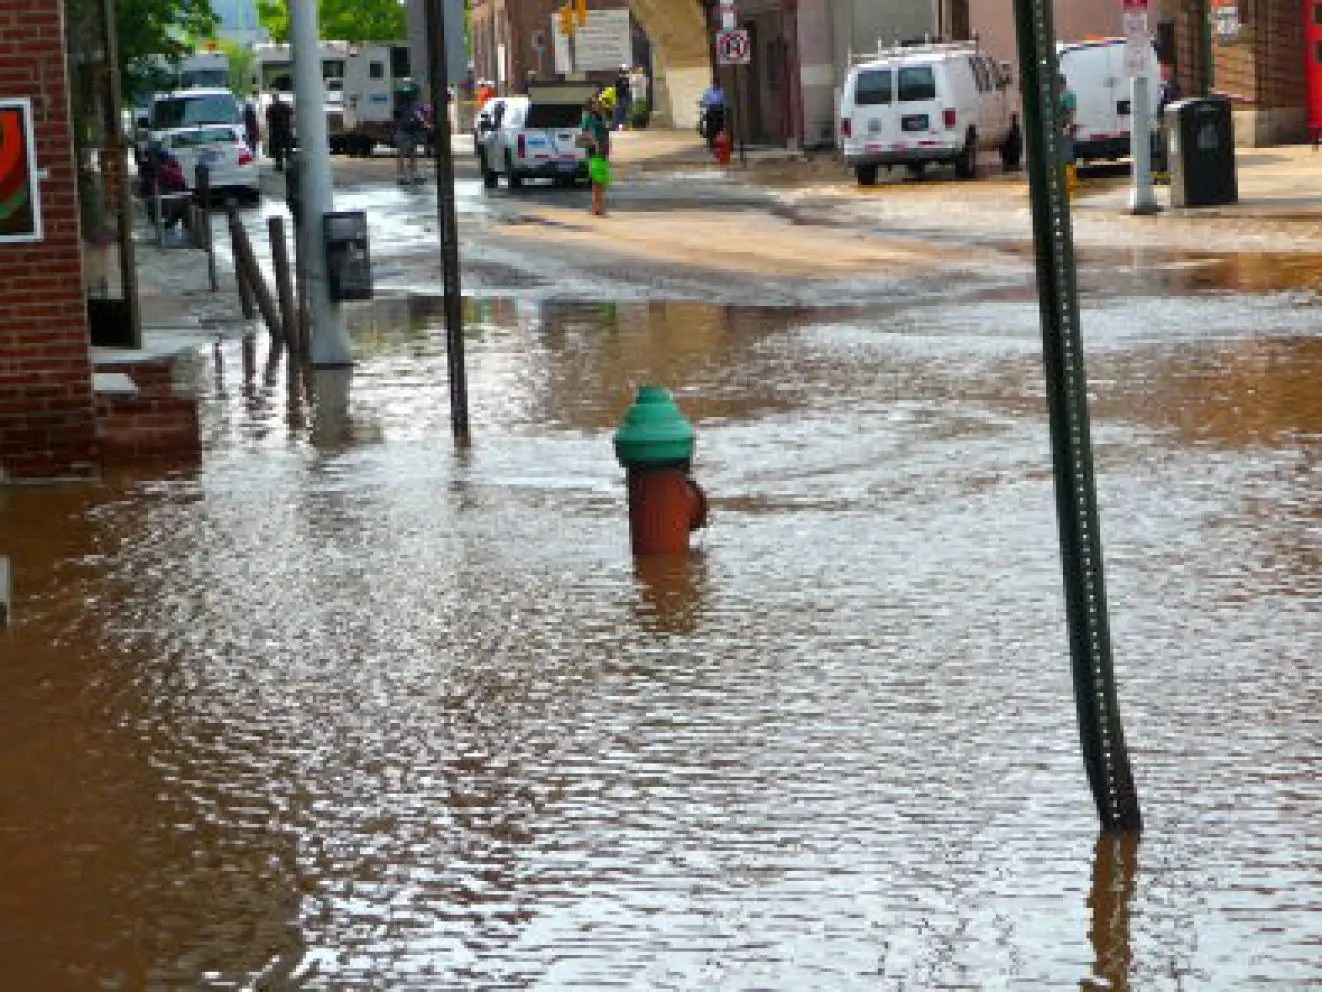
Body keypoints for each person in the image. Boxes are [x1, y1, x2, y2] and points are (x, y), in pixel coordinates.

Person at [580, 94, 611, 216]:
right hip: (594, 151)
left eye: (597, 103)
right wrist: (595, 144)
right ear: (589, 105)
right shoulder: (587, 117)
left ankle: (598, 206)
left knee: (601, 180)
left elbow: (606, 132)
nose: (597, 105)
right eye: (594, 103)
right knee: (596, 180)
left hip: (603, 150)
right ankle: (597, 207)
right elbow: (587, 132)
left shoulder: (601, 117)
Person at [395, 91, 424, 184]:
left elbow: (397, 117)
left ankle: (402, 176)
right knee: (411, 155)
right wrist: (426, 125)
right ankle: (413, 175)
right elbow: (419, 118)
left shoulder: (400, 106)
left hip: (402, 132)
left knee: (403, 155)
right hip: (409, 133)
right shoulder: (415, 107)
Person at [1056, 74, 1078, 193]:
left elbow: (1071, 113)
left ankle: (1070, 182)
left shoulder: (1068, 95)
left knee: (1067, 156)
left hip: (1065, 129)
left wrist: (1068, 127)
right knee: (1063, 155)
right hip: (1060, 129)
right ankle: (1065, 181)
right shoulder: (1060, 95)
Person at [265, 91, 294, 172]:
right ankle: (289, 165)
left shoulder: (271, 108)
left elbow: (268, 121)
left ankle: (279, 166)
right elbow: (292, 115)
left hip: (276, 131)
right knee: (288, 149)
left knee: (278, 149)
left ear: (273, 98)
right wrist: (291, 126)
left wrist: (268, 132)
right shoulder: (285, 106)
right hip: (286, 130)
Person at [699, 79, 726, 150]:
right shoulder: (708, 92)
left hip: (719, 110)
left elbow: (723, 101)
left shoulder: (721, 91)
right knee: (710, 128)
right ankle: (711, 144)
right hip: (711, 110)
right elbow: (704, 101)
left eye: (716, 83)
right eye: (714, 83)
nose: (715, 85)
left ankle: (719, 143)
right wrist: (707, 105)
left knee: (719, 127)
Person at [612, 65, 631, 131]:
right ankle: (620, 128)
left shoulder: (626, 79)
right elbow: (616, 90)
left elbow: (627, 89)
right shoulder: (619, 79)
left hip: (624, 98)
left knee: (623, 113)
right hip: (621, 98)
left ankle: (622, 127)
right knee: (621, 113)